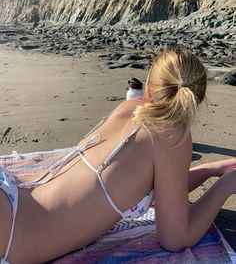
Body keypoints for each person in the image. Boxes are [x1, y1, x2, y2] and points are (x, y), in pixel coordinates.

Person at [0, 46, 235, 264]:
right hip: (15, 233)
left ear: (149, 89)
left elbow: (162, 190)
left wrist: (212, 170)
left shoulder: (129, 109)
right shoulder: (172, 136)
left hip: (11, 196)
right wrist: (225, 185)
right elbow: (175, 239)